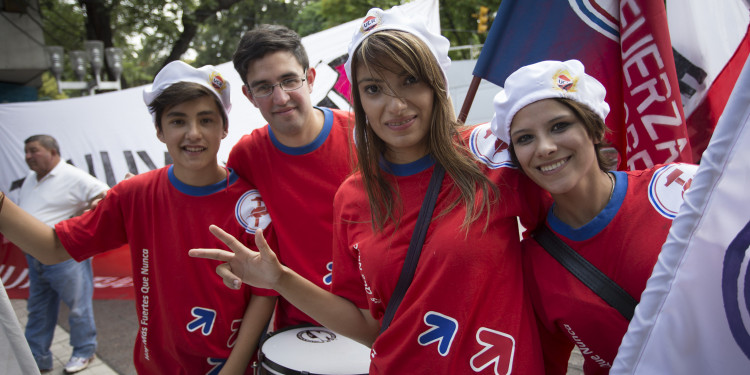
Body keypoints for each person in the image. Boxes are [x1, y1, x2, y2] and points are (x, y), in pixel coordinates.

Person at [191, 6, 549, 374]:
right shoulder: (351, 197)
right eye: (374, 88)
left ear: (436, 81)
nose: (395, 106)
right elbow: (369, 326)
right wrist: (279, 279)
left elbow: (568, 245)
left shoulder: (492, 153)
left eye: (410, 80)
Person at [0, 61, 276, 374]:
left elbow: (265, 293)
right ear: (160, 131)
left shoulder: (250, 202)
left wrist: (232, 370)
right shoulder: (135, 194)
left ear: (224, 127)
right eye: (178, 121)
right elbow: (51, 248)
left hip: (229, 365)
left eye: (206, 119)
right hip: (154, 365)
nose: (194, 133)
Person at [490, 59, 698, 374]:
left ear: (595, 128)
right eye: (525, 138)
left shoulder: (679, 190)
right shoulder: (531, 263)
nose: (545, 147)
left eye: (559, 126)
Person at [228, 23, 355, 329]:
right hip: (297, 330)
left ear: (310, 79)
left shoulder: (362, 138)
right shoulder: (245, 157)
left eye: (289, 81)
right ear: (249, 95)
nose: (281, 97)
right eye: (264, 87)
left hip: (374, 320)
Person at [15, 134, 108, 373]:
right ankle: (37, 358)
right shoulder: (32, 178)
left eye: (34, 151)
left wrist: (77, 223)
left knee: (77, 307)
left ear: (53, 151)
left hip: (65, 255)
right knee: (38, 308)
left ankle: (84, 351)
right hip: (35, 256)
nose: (28, 157)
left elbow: (106, 197)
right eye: (26, 152)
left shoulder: (71, 176)